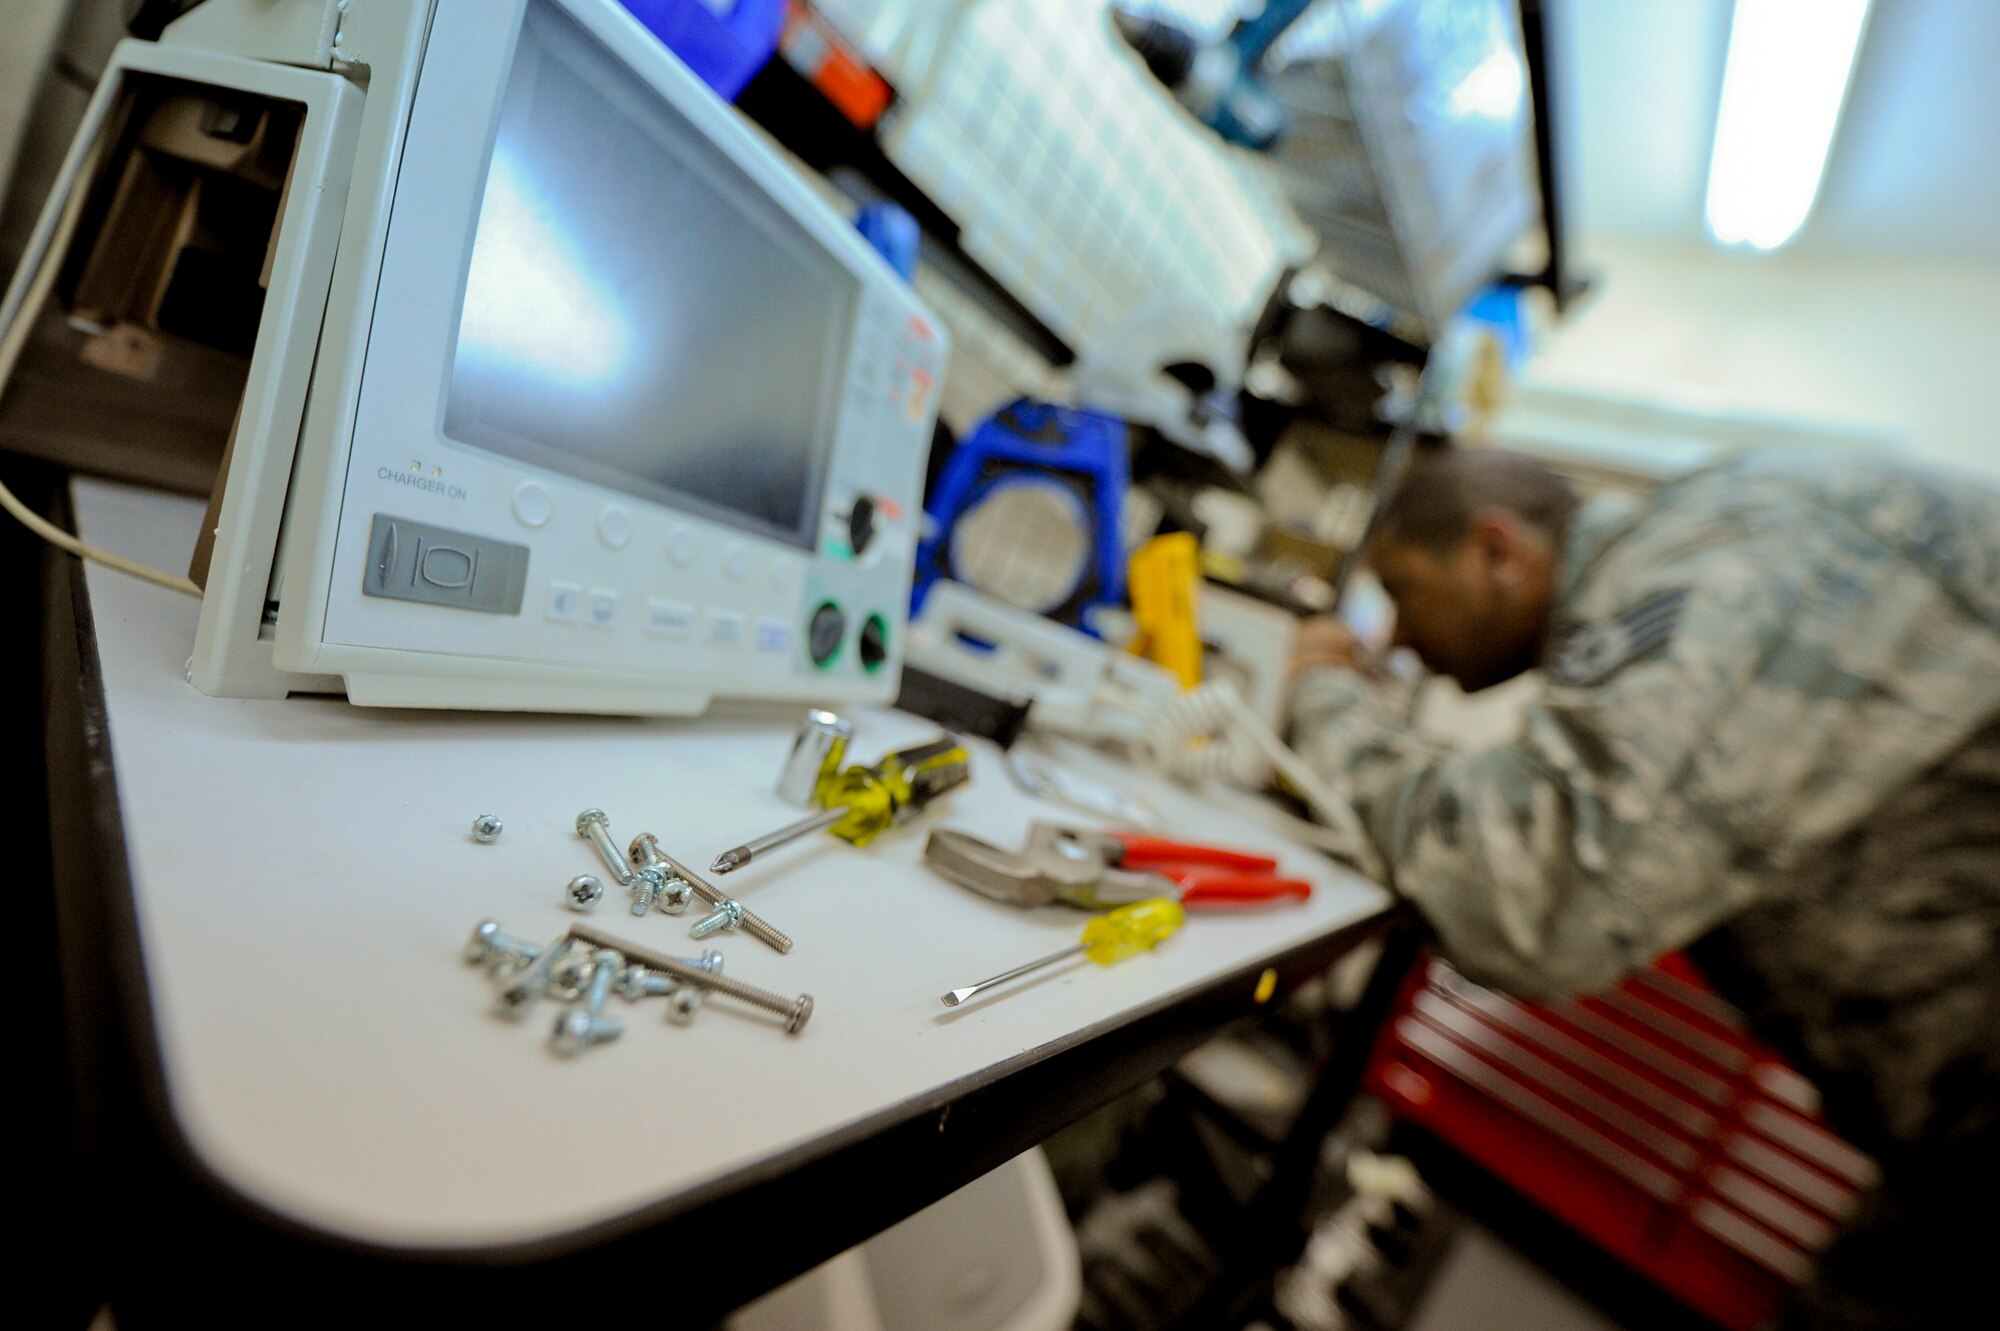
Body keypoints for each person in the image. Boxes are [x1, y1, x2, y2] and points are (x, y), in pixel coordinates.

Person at [1287, 447, 2000, 1330]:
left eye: (1402, 592)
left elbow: (1530, 897)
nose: (1396, 637)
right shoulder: (1709, 538)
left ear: (1496, 554)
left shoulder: (1722, 547)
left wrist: (1325, 701)